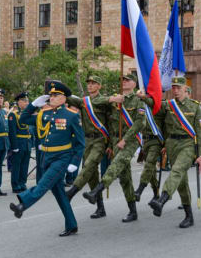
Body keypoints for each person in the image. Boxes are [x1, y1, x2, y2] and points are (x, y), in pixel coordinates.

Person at [9, 81, 85, 236]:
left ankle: (22, 205)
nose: (52, 97)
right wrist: (33, 105)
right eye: (51, 95)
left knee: (43, 184)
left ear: (64, 98)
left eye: (56, 95)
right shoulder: (44, 114)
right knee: (60, 195)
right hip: (47, 157)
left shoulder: (71, 116)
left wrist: (74, 163)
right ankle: (72, 225)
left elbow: (80, 143)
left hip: (62, 158)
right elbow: (23, 119)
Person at [139, 76, 201, 228]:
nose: (175, 90)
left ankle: (161, 200)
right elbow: (154, 105)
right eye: (173, 87)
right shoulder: (168, 105)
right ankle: (189, 216)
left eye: (178, 87)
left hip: (188, 145)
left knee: (176, 171)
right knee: (181, 182)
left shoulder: (195, 106)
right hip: (172, 145)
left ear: (185, 89)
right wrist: (144, 97)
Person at [82, 74, 145, 223]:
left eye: (127, 80)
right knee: (125, 177)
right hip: (116, 140)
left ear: (134, 83)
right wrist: (111, 144)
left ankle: (97, 190)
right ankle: (133, 211)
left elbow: (140, 123)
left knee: (116, 165)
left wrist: (125, 139)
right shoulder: (115, 100)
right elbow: (109, 122)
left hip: (130, 140)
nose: (124, 82)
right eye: (122, 80)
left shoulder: (138, 100)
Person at [65, 76, 112, 219]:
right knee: (92, 174)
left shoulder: (105, 102)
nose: (90, 86)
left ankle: (72, 191)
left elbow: (111, 123)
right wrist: (55, 88)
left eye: (93, 83)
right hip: (87, 140)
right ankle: (100, 207)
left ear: (99, 86)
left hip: (100, 140)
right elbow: (66, 97)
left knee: (89, 165)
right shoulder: (83, 102)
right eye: (89, 83)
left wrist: (110, 144)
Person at [8, 92, 32, 193]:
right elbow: (12, 132)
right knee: (16, 165)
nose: (27, 103)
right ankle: (15, 184)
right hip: (19, 142)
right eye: (24, 101)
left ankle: (22, 183)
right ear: (19, 102)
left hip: (27, 142)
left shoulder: (27, 114)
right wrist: (14, 146)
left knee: (25, 164)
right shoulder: (13, 115)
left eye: (27, 101)